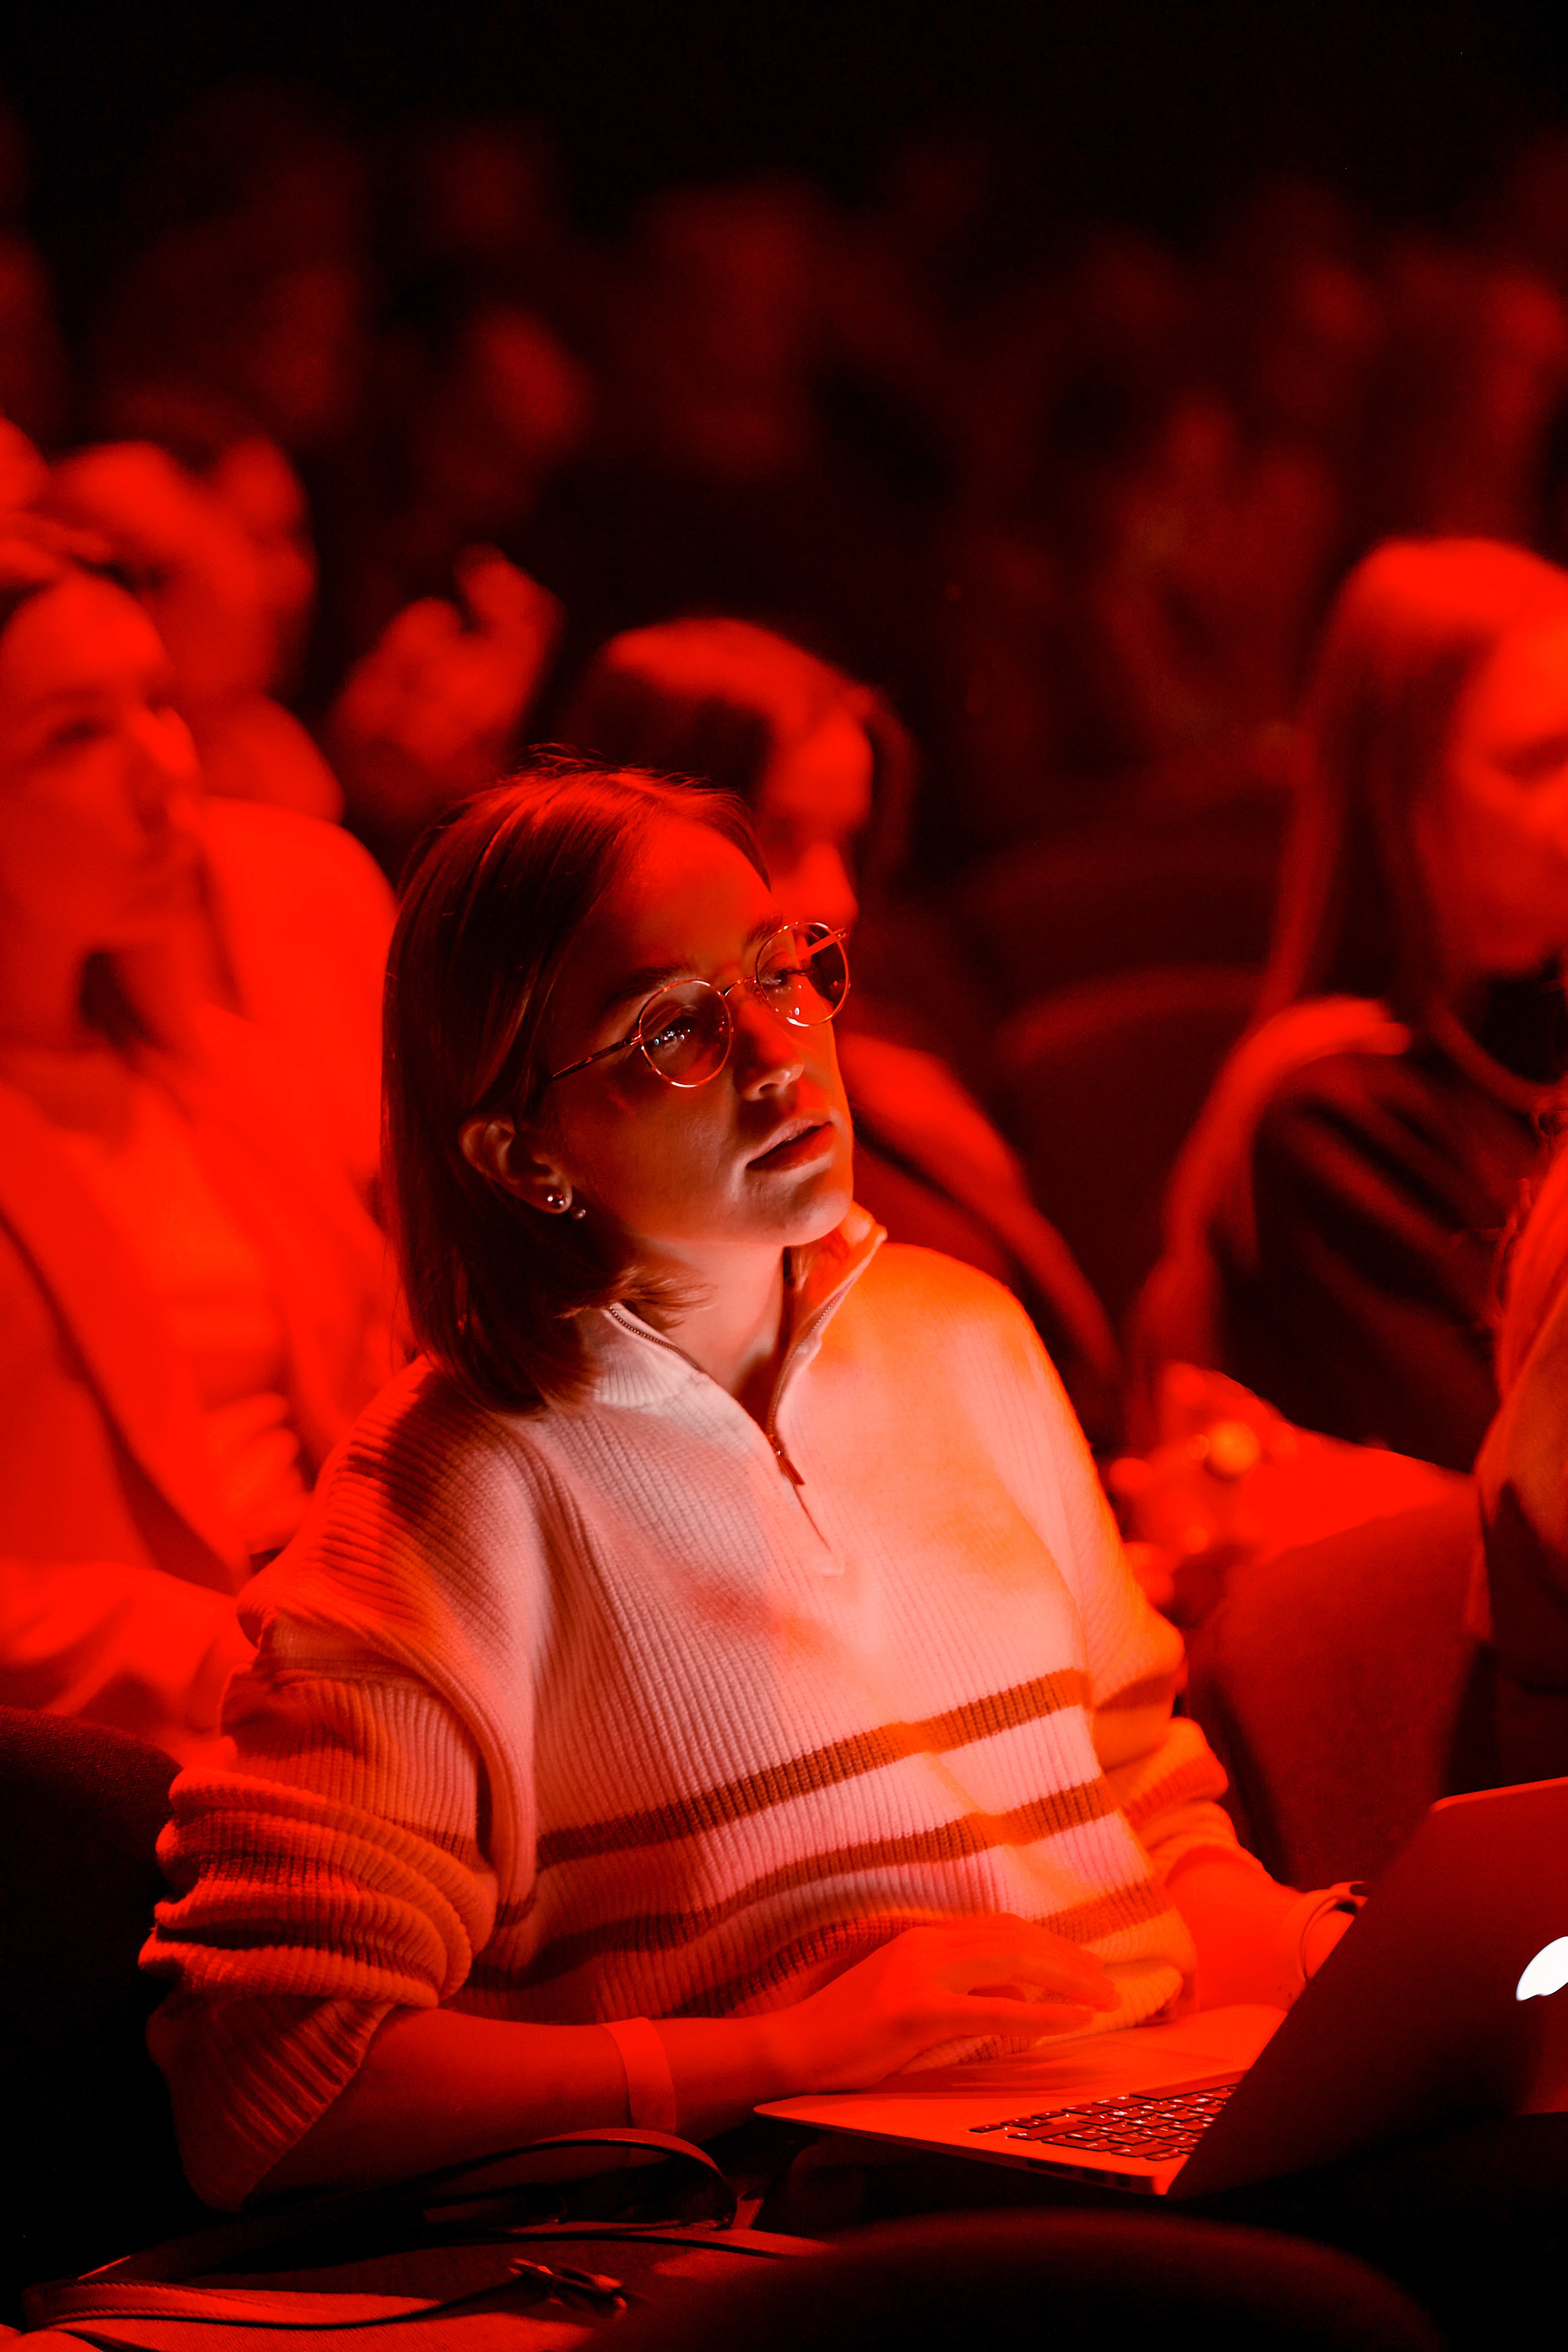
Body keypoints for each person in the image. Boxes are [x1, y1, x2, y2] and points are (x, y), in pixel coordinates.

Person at [141, 765, 1350, 2214]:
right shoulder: (455, 1490)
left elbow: (1138, 1829)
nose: (781, 1056)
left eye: (782, 975)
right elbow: (268, 2081)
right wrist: (782, 2046)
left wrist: (1325, 1958)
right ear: (520, 1156)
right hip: (807, 2222)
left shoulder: (961, 1337)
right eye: (675, 1032)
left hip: (1121, 2122)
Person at [0, 526, 391, 1763]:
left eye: (160, 704)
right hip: (122, 1773)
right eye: (75, 734)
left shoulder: (222, 1076)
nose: (165, 769)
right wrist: (219, 1653)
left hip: (369, 1677)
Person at [559, 618, 1120, 1441]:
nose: (840, 898)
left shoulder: (900, 1085)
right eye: (781, 837)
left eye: (849, 840)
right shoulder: (641, 1177)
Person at [1133, 538, 1568, 1471]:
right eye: (1540, 763)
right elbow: (1511, 1491)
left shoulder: (1539, 1047)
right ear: (1401, 798)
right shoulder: (1336, 1117)